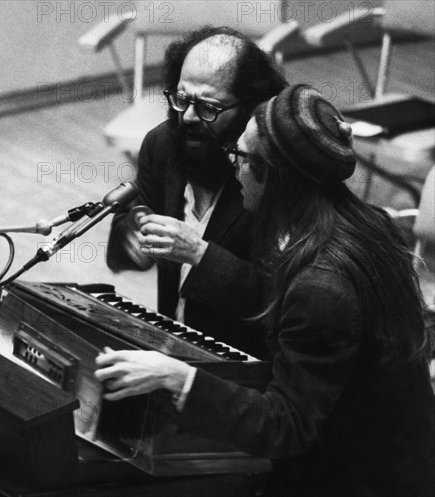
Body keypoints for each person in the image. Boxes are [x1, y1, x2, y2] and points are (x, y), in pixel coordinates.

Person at [96, 84, 435, 496]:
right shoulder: (368, 223)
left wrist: (179, 377)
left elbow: (284, 426)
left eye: (239, 156)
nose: (232, 167)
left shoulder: (321, 289)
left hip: (358, 476)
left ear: (274, 177)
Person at [107, 26, 287, 359]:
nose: (188, 117)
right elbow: (124, 245)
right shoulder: (163, 145)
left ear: (250, 109)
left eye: (208, 107)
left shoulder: (270, 173)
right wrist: (132, 235)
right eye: (181, 99)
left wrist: (199, 254)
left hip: (243, 369)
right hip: (171, 343)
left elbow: (279, 299)